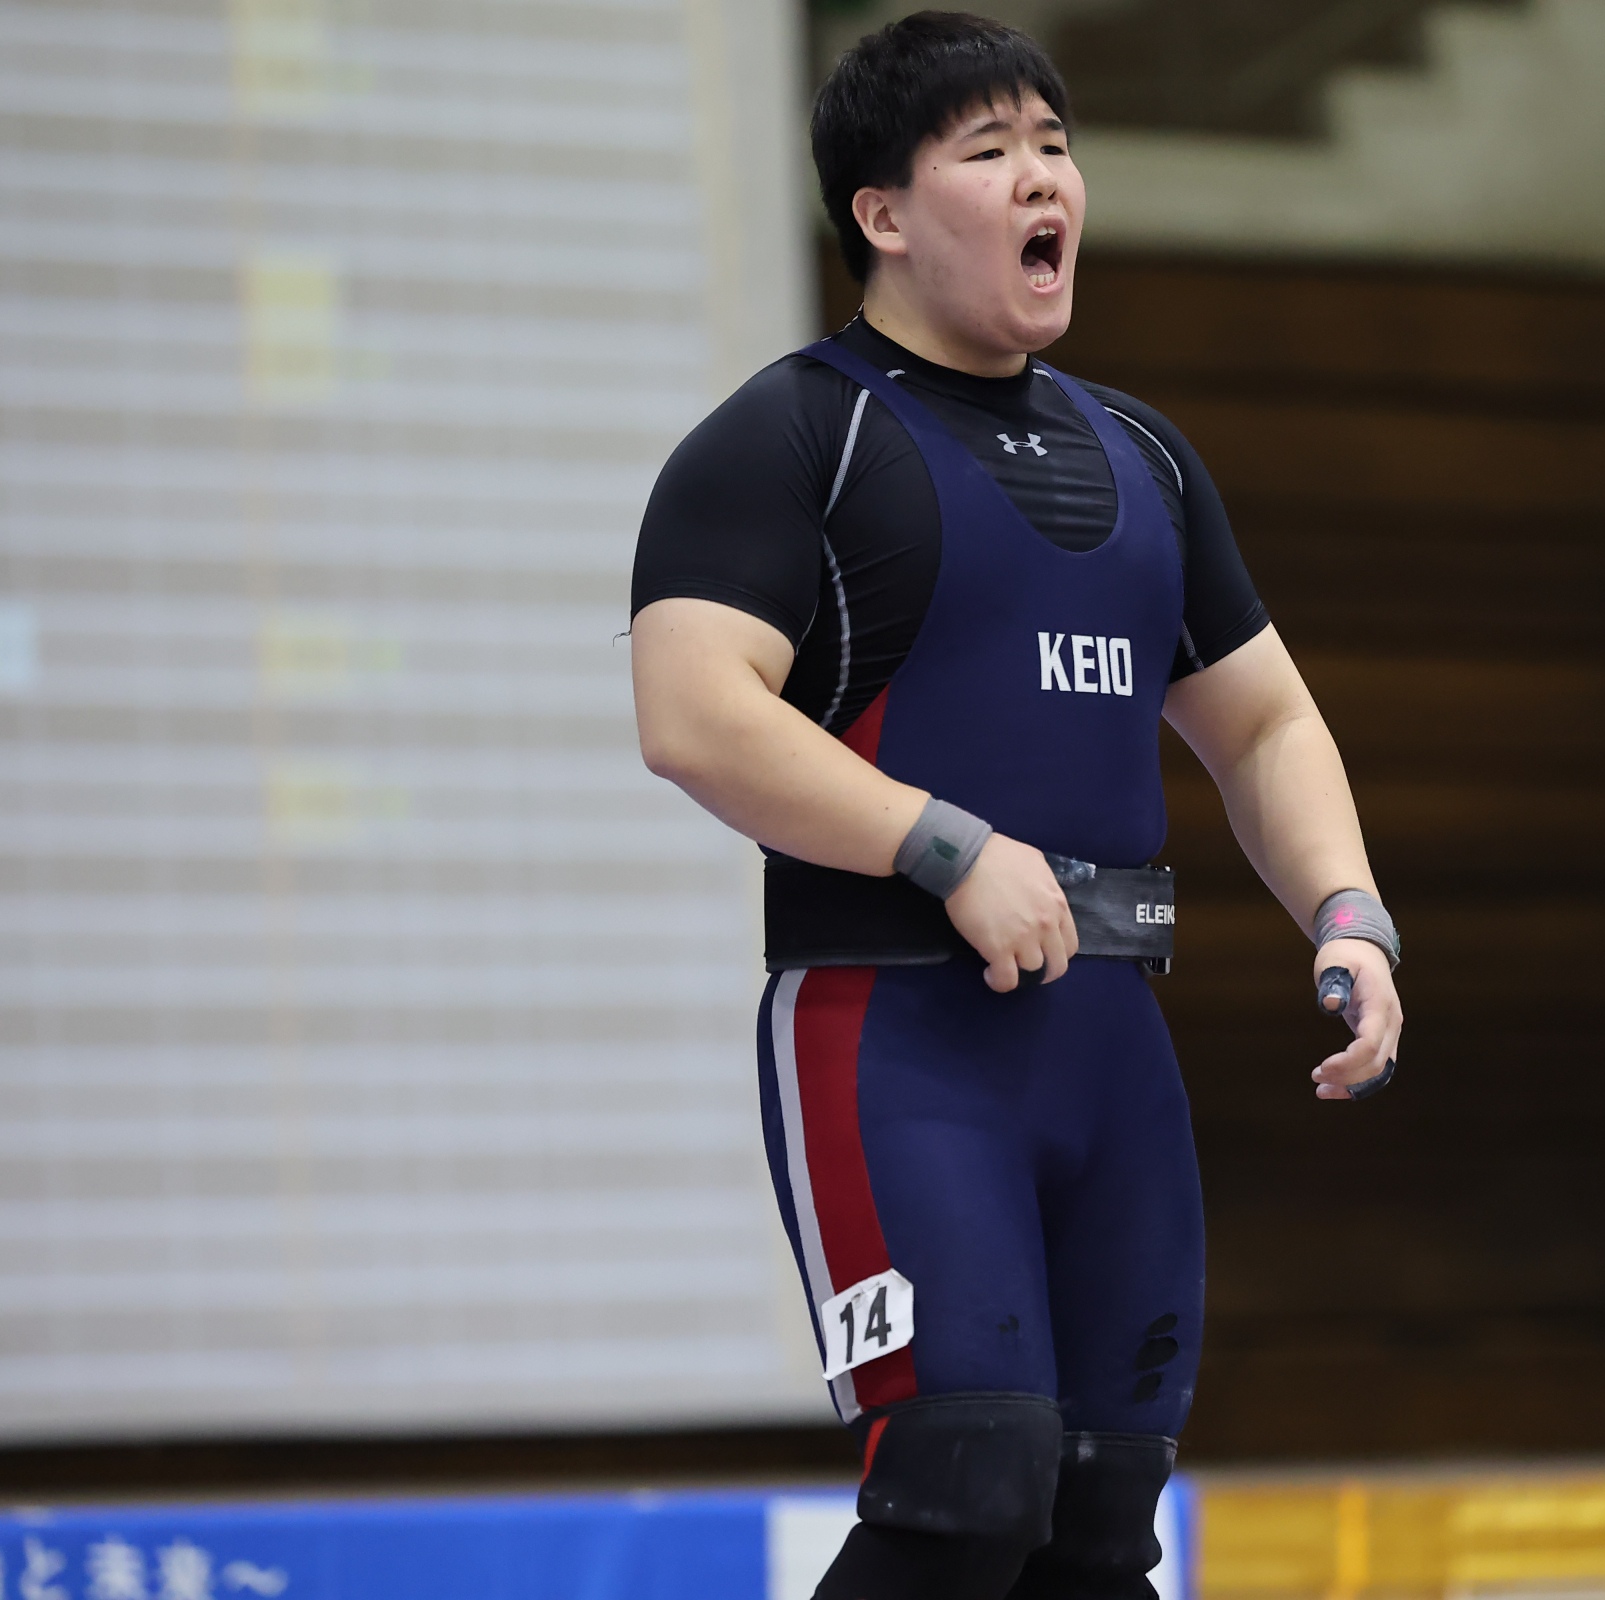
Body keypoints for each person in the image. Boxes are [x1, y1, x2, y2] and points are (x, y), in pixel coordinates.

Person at [628, 13, 1405, 1597]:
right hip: (896, 1032)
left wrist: (1348, 913)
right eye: (990, 152)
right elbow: (693, 713)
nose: (1044, 177)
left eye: (1055, 146)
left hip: (1108, 1047)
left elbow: (1263, 722)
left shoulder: (1146, 459)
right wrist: (946, 846)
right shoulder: (795, 436)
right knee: (966, 1482)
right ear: (883, 213)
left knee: (1099, 1521)